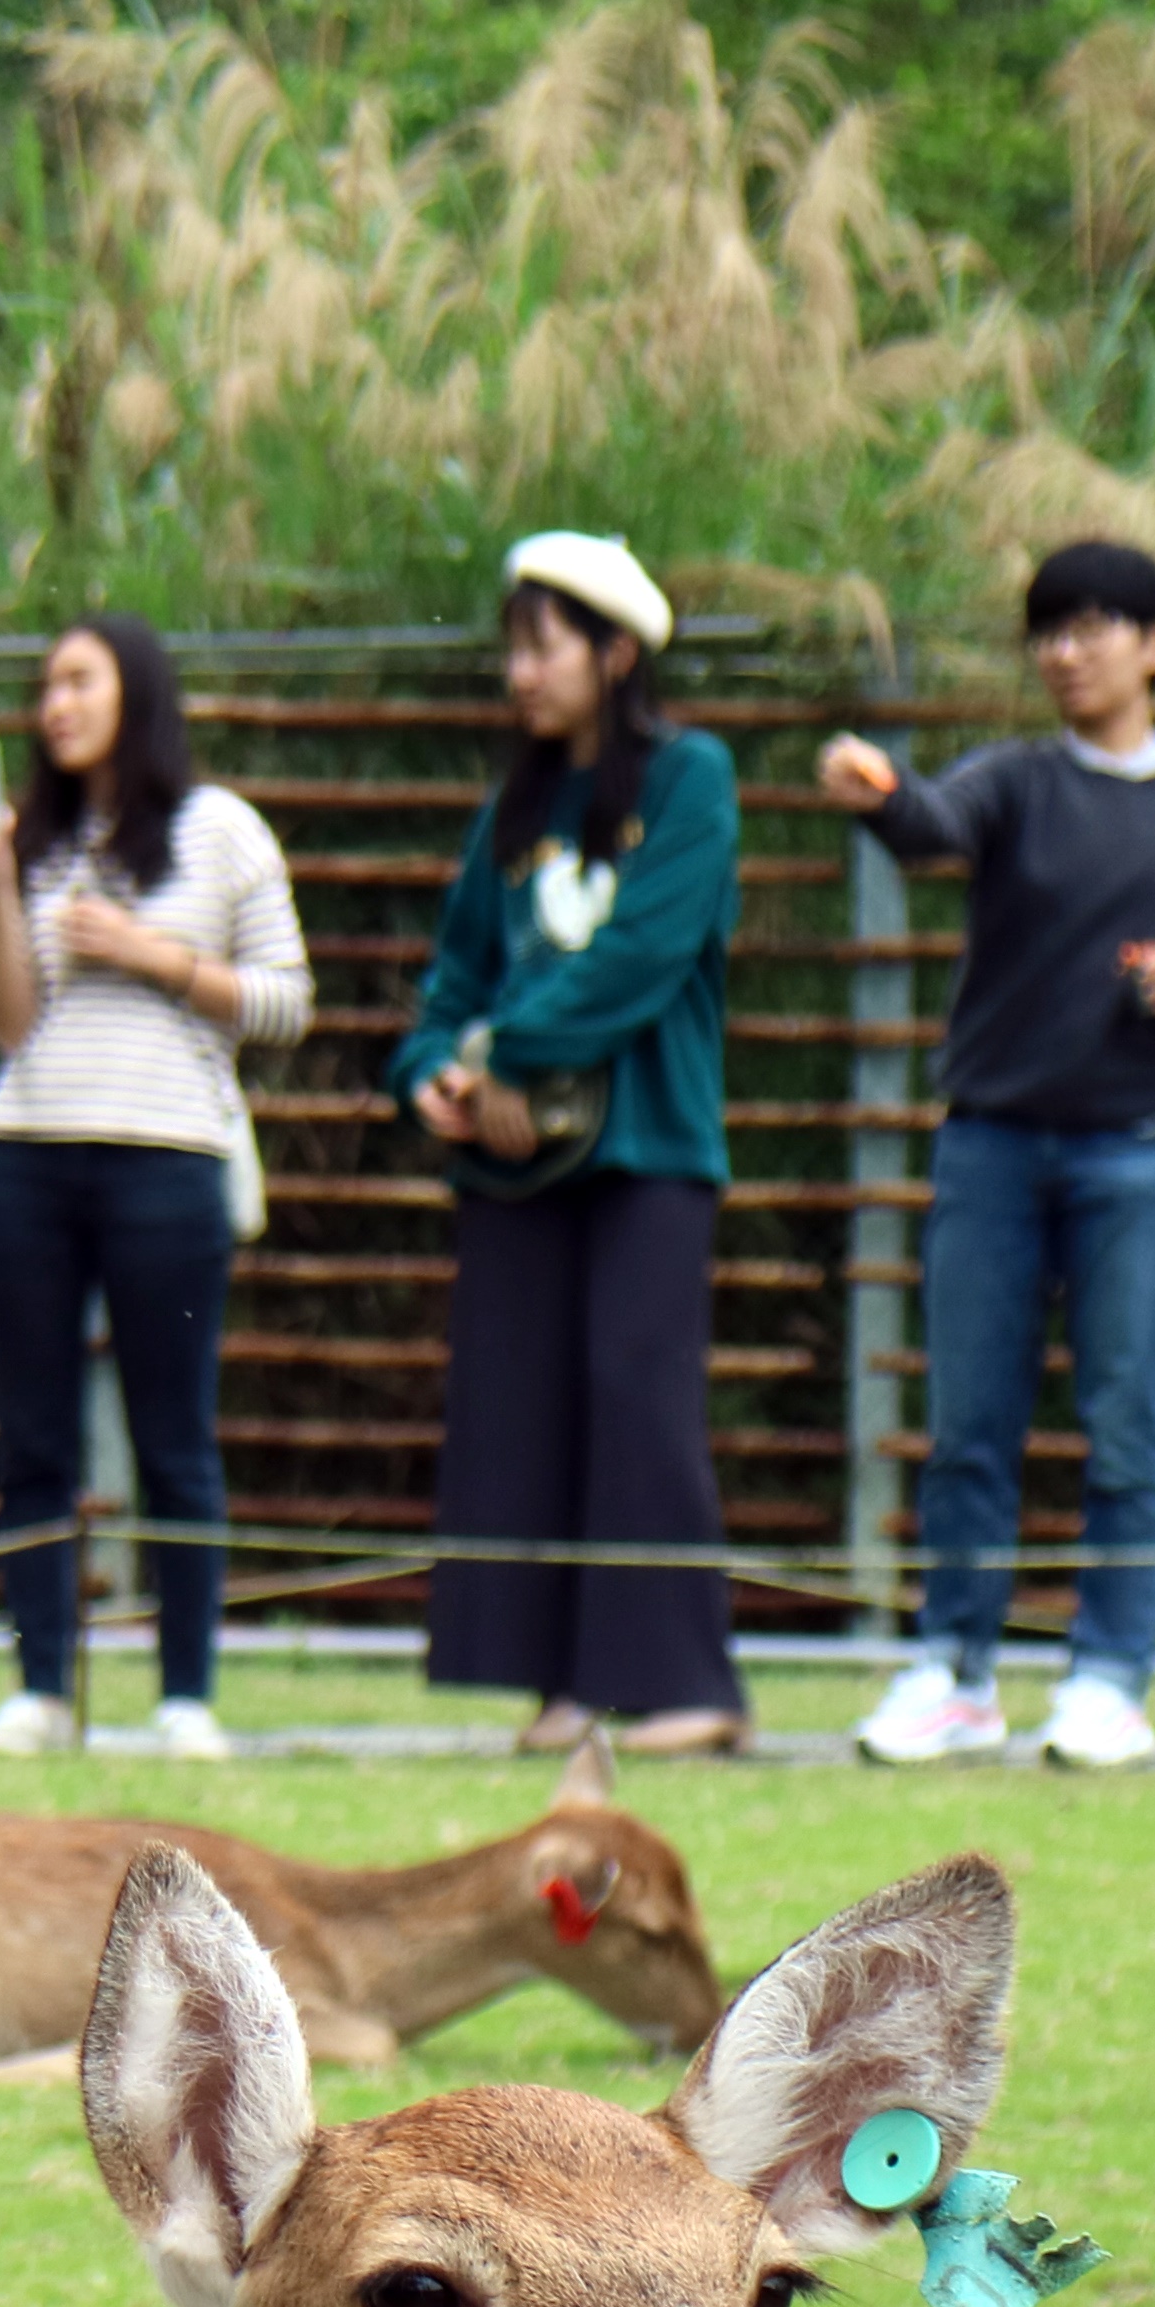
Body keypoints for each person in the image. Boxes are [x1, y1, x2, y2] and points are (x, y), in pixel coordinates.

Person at [823, 538, 1155, 1770]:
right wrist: (878, 791)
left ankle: (1109, 1678)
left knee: (1126, 1420)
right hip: (991, 1150)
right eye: (1048, 630)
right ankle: (954, 1670)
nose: (1065, 652)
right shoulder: (1015, 781)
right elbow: (929, 826)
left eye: (1093, 627)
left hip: (1141, 1158)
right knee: (971, 1422)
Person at [395, 530, 747, 1755]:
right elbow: (451, 978)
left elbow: (643, 956)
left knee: (636, 1397)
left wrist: (504, 1052)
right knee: (522, 1404)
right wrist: (436, 1074)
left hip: (648, 1149)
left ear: (616, 651)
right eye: (513, 647)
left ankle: (690, 1688)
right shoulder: (515, 809)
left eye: (543, 647)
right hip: (514, 1163)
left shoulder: (692, 778)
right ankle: (566, 1689)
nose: (521, 673)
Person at [0, 611, 310, 1759]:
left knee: (175, 1437)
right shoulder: (32, 840)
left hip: (172, 1159)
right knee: (33, 1433)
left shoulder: (221, 832)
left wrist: (153, 955)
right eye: (45, 686)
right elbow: (6, 1022)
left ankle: (185, 1697)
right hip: (29, 1154)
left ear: (135, 692)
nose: (55, 704)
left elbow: (289, 1004)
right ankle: (40, 1687)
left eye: (79, 680)